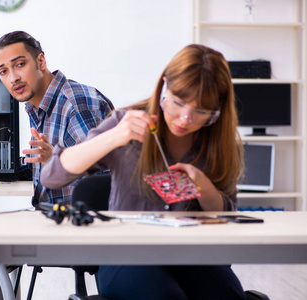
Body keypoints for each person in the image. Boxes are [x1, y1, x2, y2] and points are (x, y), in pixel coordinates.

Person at [41, 44, 246, 300]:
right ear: (163, 87)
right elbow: (51, 176)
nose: (184, 119)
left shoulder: (219, 144)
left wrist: (204, 188)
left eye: (201, 112)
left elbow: (229, 217)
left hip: (192, 253)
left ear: (217, 110)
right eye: (178, 103)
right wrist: (114, 137)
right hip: (125, 253)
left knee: (228, 296)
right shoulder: (126, 124)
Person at [0, 31, 114, 298]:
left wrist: (56, 160)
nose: (13, 78)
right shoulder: (39, 104)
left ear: (41, 61)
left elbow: (107, 185)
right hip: (47, 216)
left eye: (19, 64)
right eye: (3, 71)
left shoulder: (76, 104)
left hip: (77, 229)